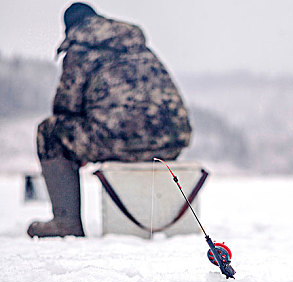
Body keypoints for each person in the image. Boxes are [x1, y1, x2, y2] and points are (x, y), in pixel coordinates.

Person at [28, 3, 192, 238]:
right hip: (170, 140)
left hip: (115, 140)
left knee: (49, 131)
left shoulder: (80, 49)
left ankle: (66, 222)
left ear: (70, 27)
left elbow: (65, 108)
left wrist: (80, 149)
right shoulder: (137, 46)